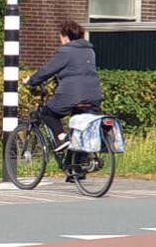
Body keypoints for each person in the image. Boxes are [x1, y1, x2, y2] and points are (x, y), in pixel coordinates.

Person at [24, 21, 103, 180]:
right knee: (78, 129)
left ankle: (60, 138)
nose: (60, 40)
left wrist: (31, 81)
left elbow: (48, 70)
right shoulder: (89, 51)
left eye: (60, 37)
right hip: (94, 94)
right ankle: (75, 171)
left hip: (73, 94)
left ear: (66, 37)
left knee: (48, 114)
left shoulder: (67, 51)